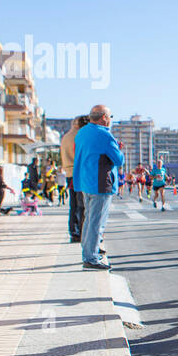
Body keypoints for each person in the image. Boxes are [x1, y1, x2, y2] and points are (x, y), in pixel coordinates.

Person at [73, 104, 124, 270]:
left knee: (89, 220)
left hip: (85, 181)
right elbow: (118, 160)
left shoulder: (82, 132)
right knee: (97, 222)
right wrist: (118, 149)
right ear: (104, 118)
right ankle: (91, 257)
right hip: (100, 182)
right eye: (110, 116)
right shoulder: (104, 135)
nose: (110, 120)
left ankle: (88, 252)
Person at [61, 115, 88, 242]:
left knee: (73, 204)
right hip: (78, 172)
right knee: (81, 205)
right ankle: (79, 231)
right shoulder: (79, 136)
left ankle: (73, 231)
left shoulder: (66, 136)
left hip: (68, 172)